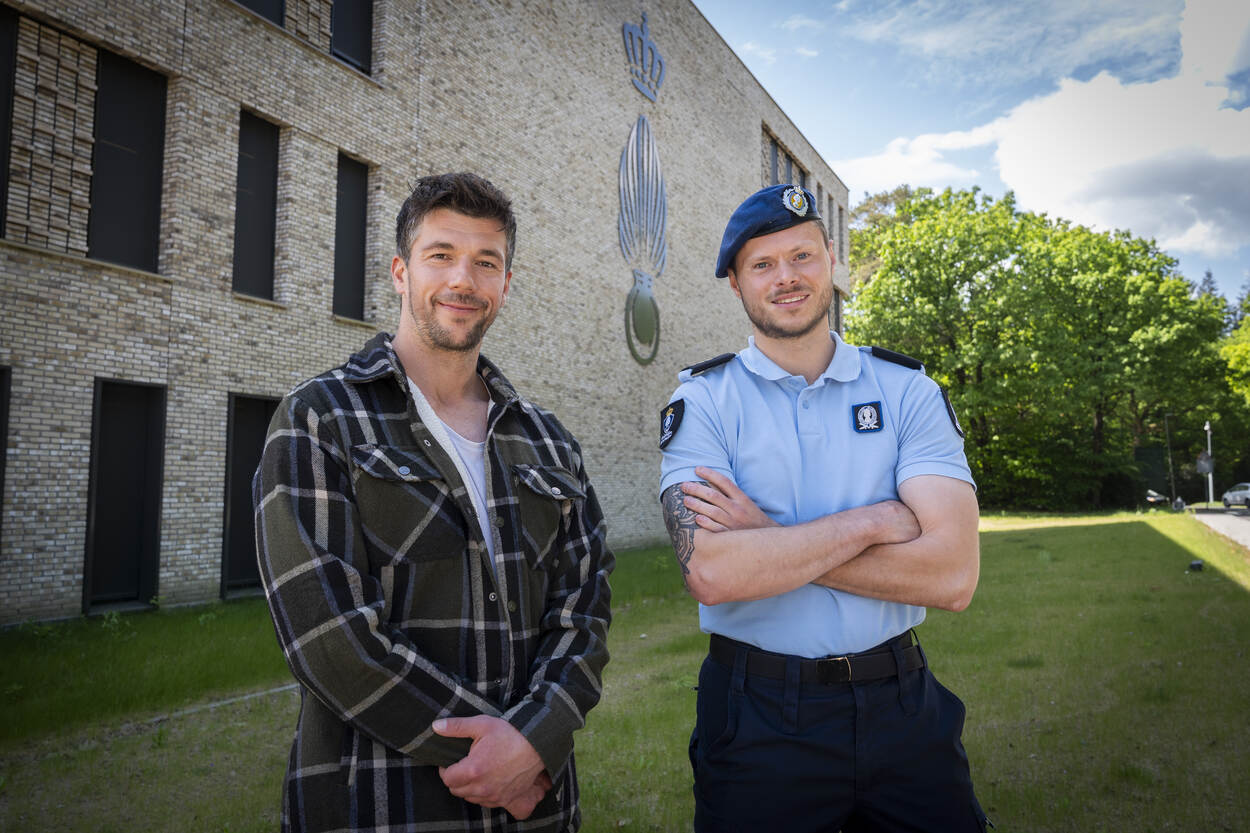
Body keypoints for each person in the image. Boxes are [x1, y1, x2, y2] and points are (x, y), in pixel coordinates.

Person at [254, 172, 614, 832]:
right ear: (400, 271)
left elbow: (584, 613)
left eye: (486, 262)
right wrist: (500, 759)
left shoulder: (550, 443)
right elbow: (328, 638)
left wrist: (536, 737)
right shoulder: (319, 420)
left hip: (537, 813)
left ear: (505, 283)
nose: (463, 280)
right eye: (441, 255)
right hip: (380, 805)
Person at [658, 183, 989, 831]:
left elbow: (953, 577)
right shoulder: (703, 403)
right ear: (735, 282)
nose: (786, 277)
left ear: (831, 258)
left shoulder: (906, 391)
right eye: (763, 264)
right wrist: (873, 521)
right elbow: (715, 572)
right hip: (758, 717)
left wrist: (768, 539)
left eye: (802, 256)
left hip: (903, 705)